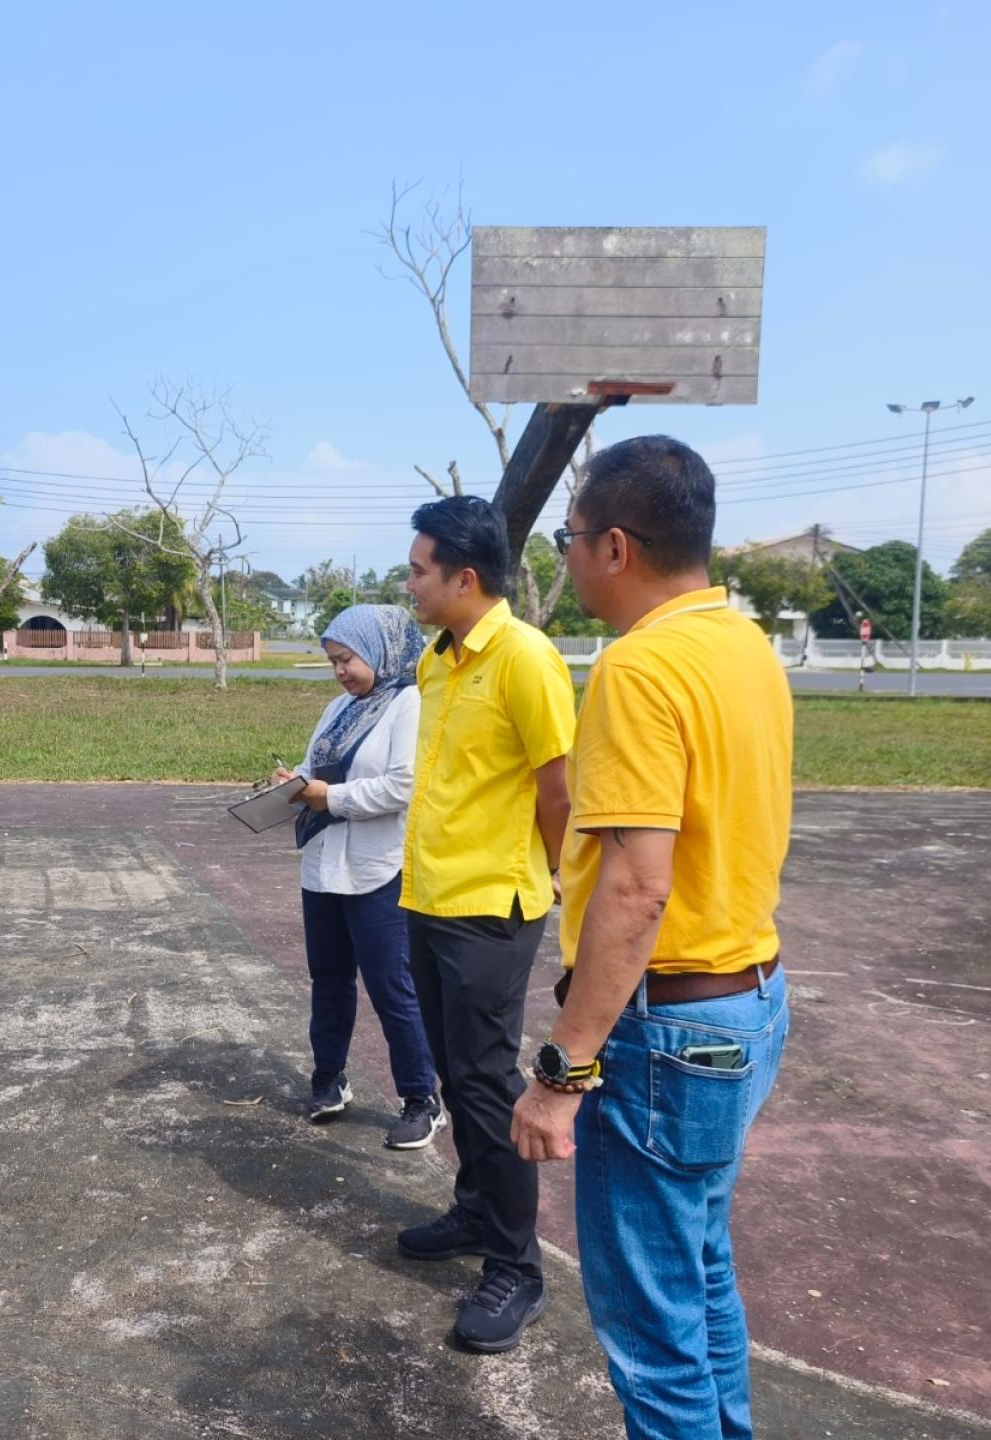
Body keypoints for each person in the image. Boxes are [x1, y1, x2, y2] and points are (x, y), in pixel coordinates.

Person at [510, 436, 793, 1439]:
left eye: (571, 538)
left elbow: (634, 891)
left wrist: (562, 1072)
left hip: (665, 1030)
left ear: (616, 547)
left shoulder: (641, 667)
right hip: (748, 1000)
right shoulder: (744, 644)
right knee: (700, 1273)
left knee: (650, 1327)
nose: (568, 557)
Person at [395, 495, 576, 1354]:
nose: (409, 583)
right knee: (454, 1068)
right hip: (427, 896)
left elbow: (559, 790)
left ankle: (517, 1268)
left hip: (491, 909)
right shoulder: (440, 658)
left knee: (482, 1079)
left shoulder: (526, 659)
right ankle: (474, 1215)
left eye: (419, 571)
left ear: (466, 579)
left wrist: (566, 886)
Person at [271, 603, 443, 1150]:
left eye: (348, 659)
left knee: (393, 986)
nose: (340, 671)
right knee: (328, 977)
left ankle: (421, 1099)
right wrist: (290, 782)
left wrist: (330, 798)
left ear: (382, 651)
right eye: (333, 661)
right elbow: (314, 769)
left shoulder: (410, 704)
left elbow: (402, 787)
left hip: (378, 867)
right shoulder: (338, 708)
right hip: (324, 864)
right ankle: (329, 1080)